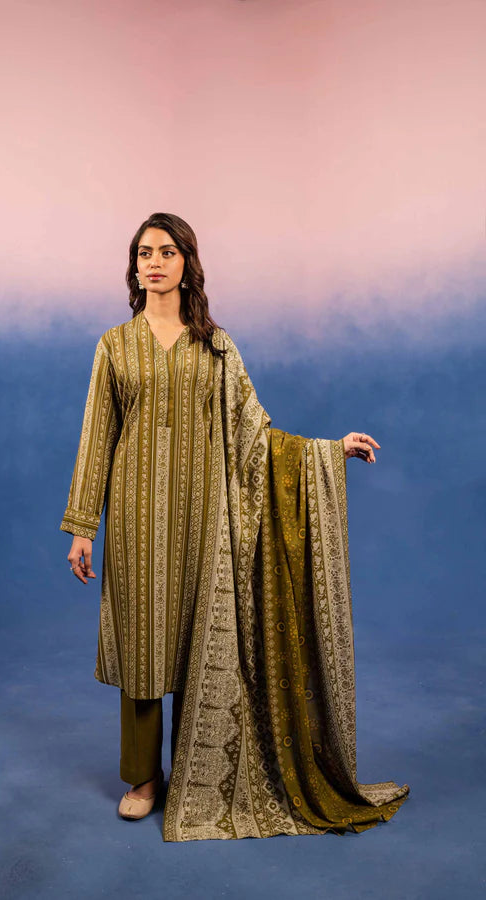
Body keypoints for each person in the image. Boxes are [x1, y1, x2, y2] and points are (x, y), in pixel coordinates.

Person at [60, 212, 410, 840]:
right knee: (143, 646)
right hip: (135, 519)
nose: (154, 263)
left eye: (167, 252)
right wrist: (84, 526)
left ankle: (197, 774)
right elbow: (96, 437)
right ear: (134, 267)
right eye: (144, 253)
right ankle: (143, 778)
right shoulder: (114, 345)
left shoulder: (215, 345)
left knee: (198, 643)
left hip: (205, 520)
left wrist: (329, 451)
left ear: (187, 263)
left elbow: (255, 433)